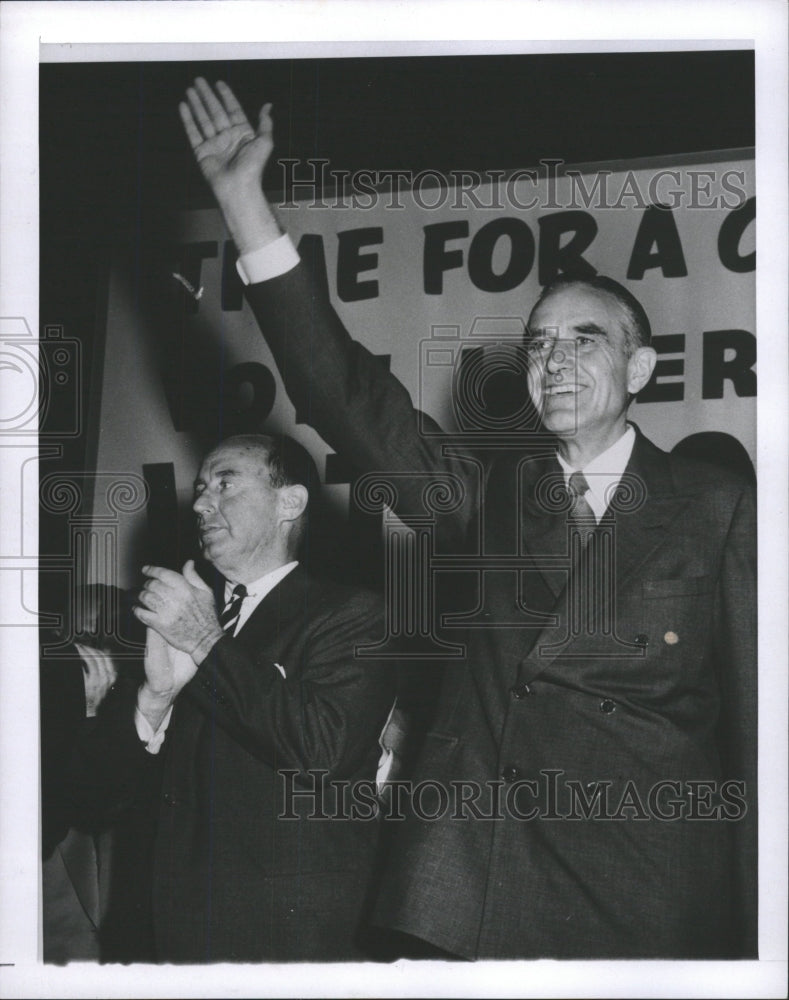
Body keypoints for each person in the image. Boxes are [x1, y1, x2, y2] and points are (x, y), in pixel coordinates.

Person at [178, 79, 757, 959]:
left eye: (584, 341)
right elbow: (344, 395)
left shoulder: (718, 508)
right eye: (537, 346)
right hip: (475, 894)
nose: (553, 363)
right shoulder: (487, 496)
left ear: (641, 369)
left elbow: (760, 742)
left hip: (647, 904)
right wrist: (243, 206)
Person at [71, 433, 395, 963]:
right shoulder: (181, 619)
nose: (200, 502)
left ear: (289, 502)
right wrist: (153, 701)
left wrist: (205, 642)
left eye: (225, 483)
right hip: (168, 939)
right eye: (200, 488)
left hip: (284, 943)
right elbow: (92, 799)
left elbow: (324, 750)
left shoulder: (352, 615)